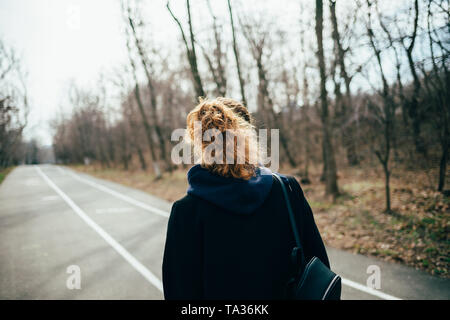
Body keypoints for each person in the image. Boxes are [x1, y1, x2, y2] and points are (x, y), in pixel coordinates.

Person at [162, 97, 329, 300]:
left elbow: (179, 293)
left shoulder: (186, 212)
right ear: (249, 137)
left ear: (200, 144)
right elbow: (320, 272)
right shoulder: (287, 191)